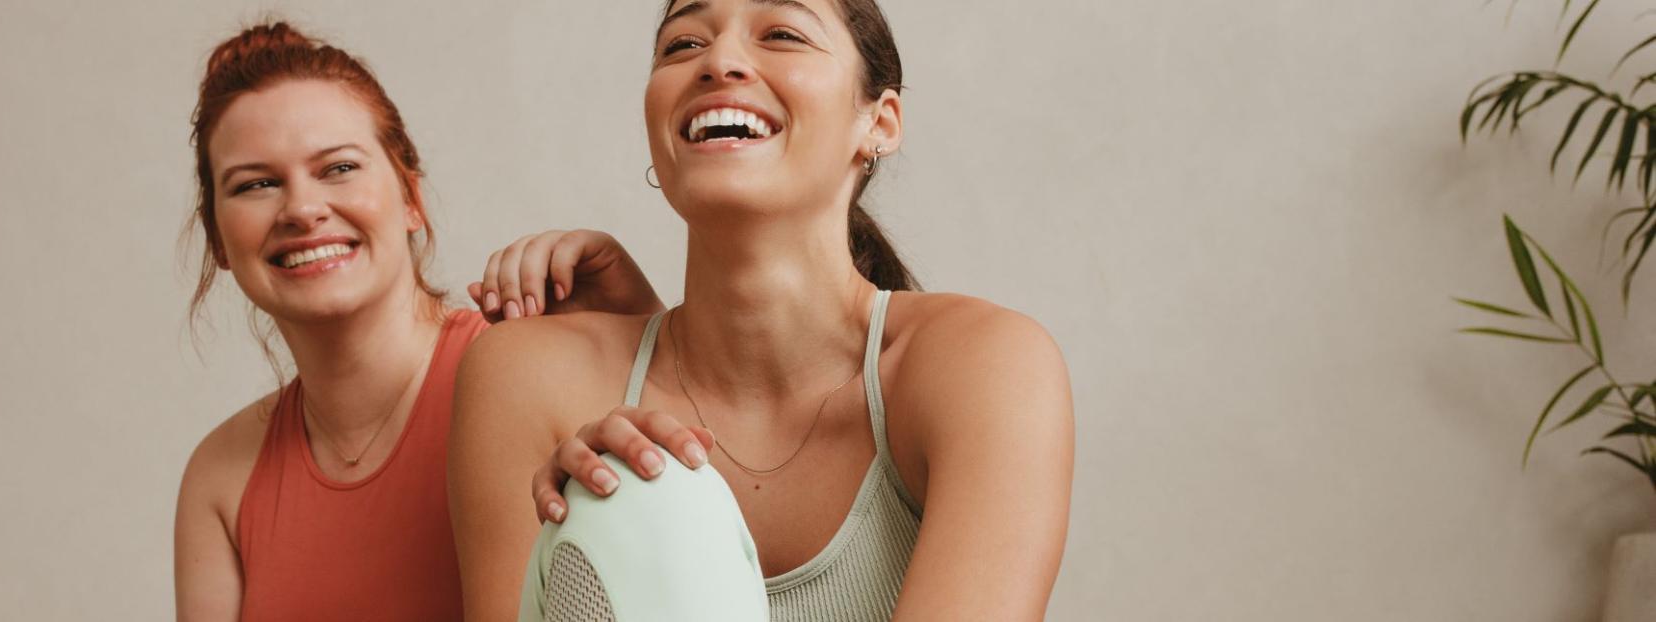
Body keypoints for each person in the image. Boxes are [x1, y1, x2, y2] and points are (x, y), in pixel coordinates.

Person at [450, 1, 1075, 619]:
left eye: (781, 33)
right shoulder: (528, 374)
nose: (718, 60)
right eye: (683, 45)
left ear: (879, 123)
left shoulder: (987, 367)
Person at [171, 22, 663, 621]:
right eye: (257, 184)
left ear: (410, 197)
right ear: (219, 239)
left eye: (338, 168)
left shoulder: (524, 375)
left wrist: (643, 350)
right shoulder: (219, 478)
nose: (301, 209)